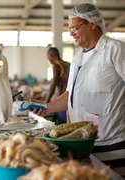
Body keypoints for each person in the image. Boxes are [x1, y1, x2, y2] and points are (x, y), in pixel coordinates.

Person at [33, 3, 125, 178]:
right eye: (70, 28)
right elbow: (70, 94)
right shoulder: (77, 58)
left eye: (75, 27)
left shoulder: (115, 50)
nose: (71, 33)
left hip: (113, 142)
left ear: (92, 23)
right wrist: (48, 107)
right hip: (82, 142)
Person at [45, 47, 70, 124]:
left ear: (51, 55)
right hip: (70, 100)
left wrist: (47, 101)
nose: (49, 60)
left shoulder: (56, 66)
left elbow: (53, 84)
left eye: (48, 57)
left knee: (62, 126)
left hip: (61, 101)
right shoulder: (69, 64)